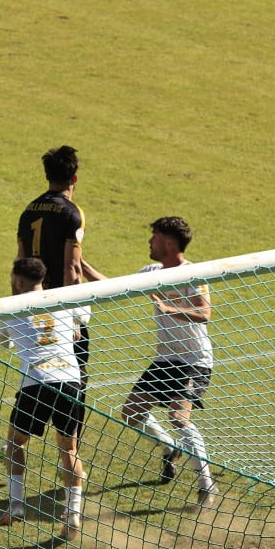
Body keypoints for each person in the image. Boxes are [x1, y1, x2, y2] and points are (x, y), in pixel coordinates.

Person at [86, 217, 219, 508]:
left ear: (169, 243)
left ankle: (206, 484)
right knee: (131, 413)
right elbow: (116, 287)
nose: (150, 241)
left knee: (178, 418)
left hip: (194, 360)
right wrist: (81, 264)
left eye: (154, 236)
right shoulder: (151, 272)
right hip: (165, 359)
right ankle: (168, 446)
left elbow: (205, 313)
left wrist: (167, 307)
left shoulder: (194, 274)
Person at [0, 257, 92, 539]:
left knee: (14, 443)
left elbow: (5, 342)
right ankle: (72, 514)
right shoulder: (65, 299)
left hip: (36, 383)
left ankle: (16, 504)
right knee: (69, 450)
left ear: (17, 281)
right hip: (70, 382)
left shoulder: (9, 309)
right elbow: (83, 319)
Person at [17, 145, 93, 382]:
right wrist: (73, 318)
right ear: (75, 178)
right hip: (60, 308)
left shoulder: (28, 211)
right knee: (73, 376)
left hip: (33, 303)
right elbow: (72, 268)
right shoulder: (72, 213)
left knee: (36, 372)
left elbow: (20, 261)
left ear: (47, 175)